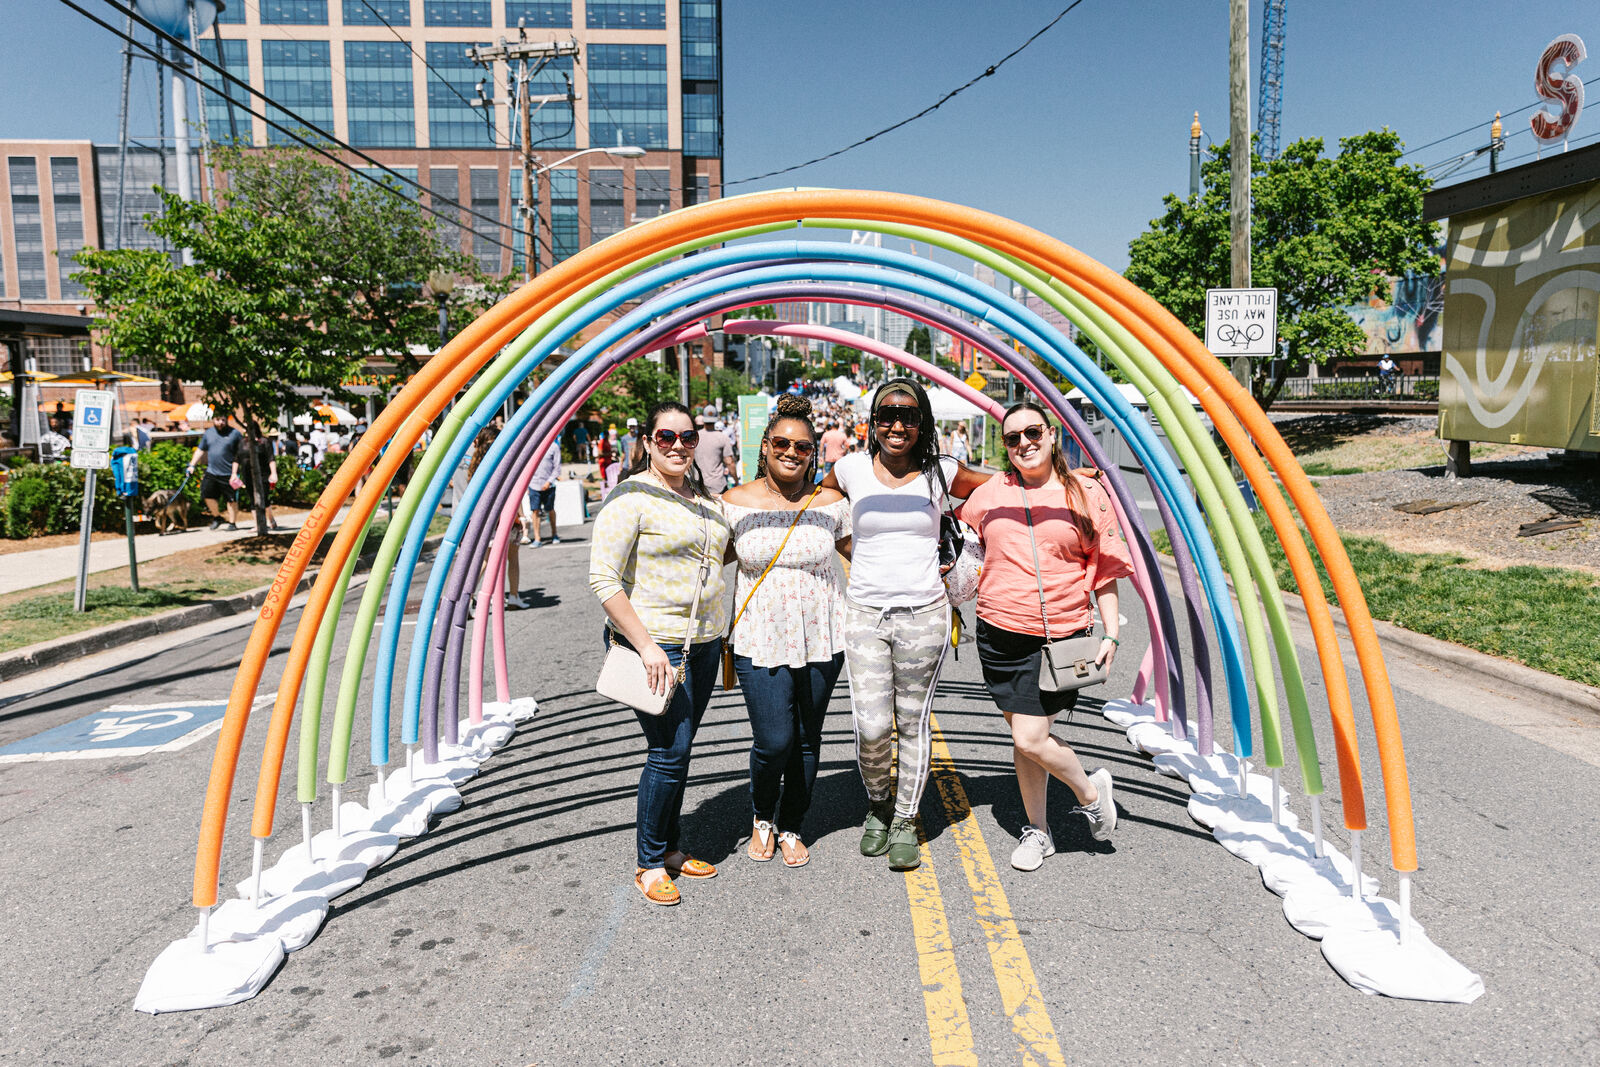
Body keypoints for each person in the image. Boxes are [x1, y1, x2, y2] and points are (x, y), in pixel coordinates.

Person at [957, 401, 1133, 871]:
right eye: (1012, 438)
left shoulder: (1086, 493)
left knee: (1031, 737)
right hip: (999, 636)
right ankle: (1039, 830)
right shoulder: (991, 493)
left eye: (1032, 432)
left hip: (1059, 639)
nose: (1024, 444)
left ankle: (1090, 793)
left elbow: (1105, 569)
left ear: (1052, 434)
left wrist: (1112, 634)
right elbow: (953, 528)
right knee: (1025, 739)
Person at [820, 378, 987, 871]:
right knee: (872, 726)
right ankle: (878, 804)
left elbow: (1002, 484)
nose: (897, 424)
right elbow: (816, 505)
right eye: (887, 415)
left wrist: (1065, 475)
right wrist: (851, 550)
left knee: (912, 722)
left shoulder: (941, 472)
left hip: (924, 614)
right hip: (865, 614)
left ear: (922, 423)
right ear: (873, 422)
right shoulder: (850, 469)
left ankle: (905, 818)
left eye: (908, 416)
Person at [589, 401, 731, 906]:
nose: (677, 446)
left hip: (704, 642)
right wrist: (647, 646)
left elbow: (717, 556)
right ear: (648, 442)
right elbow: (603, 579)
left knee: (682, 747)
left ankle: (670, 849)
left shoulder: (705, 499)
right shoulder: (630, 497)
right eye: (666, 436)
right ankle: (649, 861)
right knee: (668, 750)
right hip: (655, 644)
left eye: (687, 437)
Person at [722, 395, 852, 868]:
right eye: (782, 443)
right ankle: (762, 814)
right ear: (765, 446)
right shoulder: (734, 503)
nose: (791, 452)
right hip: (757, 637)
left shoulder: (831, 503)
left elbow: (866, 556)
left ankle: (792, 822)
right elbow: (704, 560)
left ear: (813, 452)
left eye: (803, 446)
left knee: (806, 737)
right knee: (774, 740)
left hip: (823, 637)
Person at [186, 413, 243, 530]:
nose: (221, 422)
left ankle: (232, 523)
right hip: (212, 472)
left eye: (223, 419)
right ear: (213, 420)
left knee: (231, 500)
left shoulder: (235, 434)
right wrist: (192, 465)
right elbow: (200, 450)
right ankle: (217, 517)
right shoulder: (208, 433)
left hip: (229, 473)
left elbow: (241, 452)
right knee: (206, 495)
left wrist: (236, 472)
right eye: (218, 419)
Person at [526, 440, 561, 546]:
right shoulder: (530, 446)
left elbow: (557, 468)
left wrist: (549, 481)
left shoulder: (553, 447)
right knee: (535, 510)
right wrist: (527, 484)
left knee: (550, 509)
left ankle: (554, 533)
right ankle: (537, 538)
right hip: (533, 484)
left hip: (548, 484)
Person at [693, 414, 736, 495]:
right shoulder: (723, 437)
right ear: (715, 419)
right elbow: (729, 462)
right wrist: (736, 480)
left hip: (698, 485)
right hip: (718, 486)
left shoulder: (694, 437)